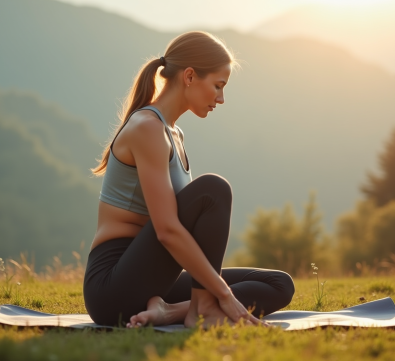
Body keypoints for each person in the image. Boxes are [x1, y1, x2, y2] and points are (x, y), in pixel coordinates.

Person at [84, 31, 295, 328]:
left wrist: (215, 292)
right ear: (190, 76)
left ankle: (173, 311)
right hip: (113, 287)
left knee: (278, 284)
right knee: (213, 190)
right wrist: (223, 294)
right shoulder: (147, 128)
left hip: (153, 278)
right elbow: (168, 230)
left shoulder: (174, 134)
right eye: (218, 86)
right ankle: (203, 309)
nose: (221, 99)